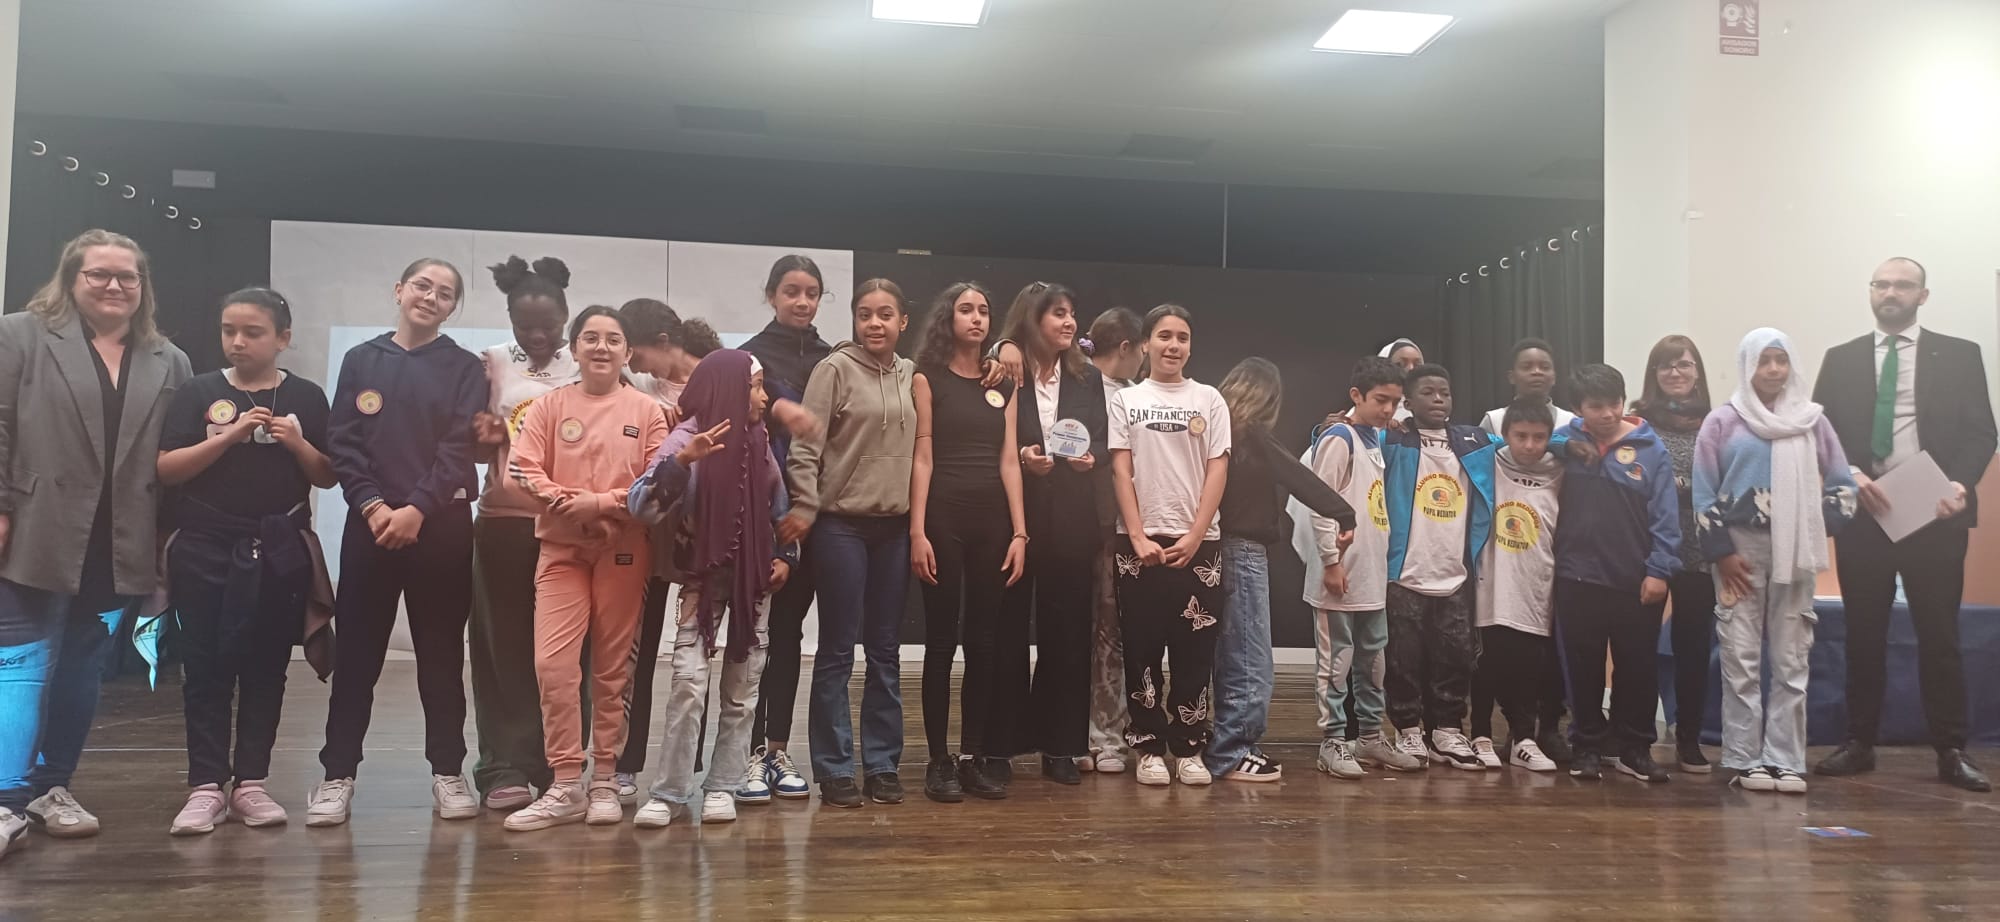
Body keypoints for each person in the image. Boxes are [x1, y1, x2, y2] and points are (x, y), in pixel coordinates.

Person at [0, 230, 193, 853]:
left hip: (120, 539)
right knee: (21, 663)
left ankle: (52, 787)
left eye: (127, 276)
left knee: (83, 666)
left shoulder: (170, 359)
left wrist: (166, 536)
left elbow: (175, 454)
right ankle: (5, 800)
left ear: (143, 286)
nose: (114, 286)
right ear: (71, 278)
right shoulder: (19, 335)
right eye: (99, 274)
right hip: (33, 528)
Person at [309, 257, 486, 827]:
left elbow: (458, 449)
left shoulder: (464, 368)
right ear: (399, 290)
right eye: (422, 286)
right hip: (371, 529)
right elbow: (343, 442)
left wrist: (416, 509)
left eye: (445, 293)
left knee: (440, 656)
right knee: (357, 657)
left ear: (452, 307)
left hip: (441, 531)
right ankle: (337, 776)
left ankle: (448, 772)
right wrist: (374, 506)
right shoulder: (362, 359)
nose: (431, 297)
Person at [157, 287, 337, 835]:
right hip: (204, 546)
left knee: (266, 668)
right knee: (204, 667)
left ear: (283, 338)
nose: (238, 342)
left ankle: (252, 783)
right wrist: (231, 435)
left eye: (253, 332)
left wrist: (297, 443)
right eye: (229, 330)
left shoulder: (305, 396)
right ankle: (206, 786)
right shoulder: (198, 391)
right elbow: (167, 469)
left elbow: (328, 475)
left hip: (278, 548)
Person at [1812, 257, 1996, 792]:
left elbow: (1982, 432)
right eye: (1882, 284)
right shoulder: (1841, 357)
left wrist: (1960, 483)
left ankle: (1951, 749)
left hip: (1935, 512)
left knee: (1939, 635)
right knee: (1863, 633)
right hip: (1866, 512)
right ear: (1871, 292)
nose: (1891, 293)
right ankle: (1858, 742)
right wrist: (1849, 472)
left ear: (1923, 296)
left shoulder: (1960, 354)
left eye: (1903, 285)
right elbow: (1822, 432)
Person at [500, 307, 669, 831]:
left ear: (628, 352)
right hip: (561, 550)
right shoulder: (548, 407)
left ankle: (606, 782)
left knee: (612, 670)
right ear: (573, 349)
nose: (601, 347)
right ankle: (566, 783)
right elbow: (520, 469)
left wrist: (599, 505)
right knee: (553, 666)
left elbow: (658, 482)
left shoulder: (647, 410)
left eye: (613, 339)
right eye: (590, 338)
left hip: (624, 551)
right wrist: (569, 506)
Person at [629, 350, 796, 828]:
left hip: (752, 585)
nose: (763, 398)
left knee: (742, 691)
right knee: (687, 683)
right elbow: (641, 506)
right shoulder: (686, 438)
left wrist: (785, 556)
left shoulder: (759, 442)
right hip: (701, 583)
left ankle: (723, 785)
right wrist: (683, 462)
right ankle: (669, 792)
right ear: (727, 390)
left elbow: (778, 505)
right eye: (755, 387)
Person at [1696, 328, 1857, 794]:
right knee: (1740, 656)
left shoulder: (1812, 421)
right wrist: (1723, 553)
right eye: (1763, 361)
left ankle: (1785, 759)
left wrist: (1811, 525)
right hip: (1738, 555)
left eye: (1780, 360)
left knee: (1791, 658)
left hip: (1797, 552)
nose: (1772, 370)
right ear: (1748, 366)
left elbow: (1843, 487)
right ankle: (1745, 758)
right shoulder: (1722, 421)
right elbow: (1704, 493)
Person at [780, 278, 916, 808]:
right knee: (837, 649)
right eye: (865, 315)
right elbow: (805, 446)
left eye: (885, 314)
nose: (874, 324)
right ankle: (835, 768)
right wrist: (806, 505)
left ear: (903, 321)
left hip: (893, 530)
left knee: (884, 650)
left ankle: (881, 764)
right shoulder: (833, 369)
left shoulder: (910, 374)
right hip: (840, 527)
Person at [908, 282, 1027, 802]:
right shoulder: (926, 377)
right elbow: (923, 458)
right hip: (942, 519)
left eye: (983, 310)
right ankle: (939, 761)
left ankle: (974, 758)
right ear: (947, 318)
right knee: (940, 642)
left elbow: (1009, 460)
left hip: (993, 523)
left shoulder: (1003, 382)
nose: (976, 318)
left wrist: (1020, 532)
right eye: (965, 310)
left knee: (983, 643)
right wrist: (917, 530)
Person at [1209, 357, 1354, 783]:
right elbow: (1299, 477)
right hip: (1243, 553)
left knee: (1227, 653)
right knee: (1250, 657)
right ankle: (1232, 751)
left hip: (1212, 550)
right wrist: (1344, 513)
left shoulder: (1216, 434)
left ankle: (1224, 745)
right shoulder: (1254, 437)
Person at [467, 255, 577, 812]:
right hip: (504, 523)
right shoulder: (489, 363)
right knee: (501, 647)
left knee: (562, 654)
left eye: (547, 325)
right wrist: (482, 436)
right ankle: (503, 766)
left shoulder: (585, 362)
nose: (536, 336)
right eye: (523, 325)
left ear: (566, 316)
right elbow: (468, 444)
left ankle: (561, 764)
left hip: (569, 526)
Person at [1108, 304, 1231, 787]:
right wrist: (1137, 534)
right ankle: (1148, 746)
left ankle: (1188, 746)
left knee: (1194, 651)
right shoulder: (1126, 400)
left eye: (1182, 337)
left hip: (1199, 544)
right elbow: (1121, 468)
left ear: (1190, 346)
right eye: (1163, 336)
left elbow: (1218, 467)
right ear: (1145, 344)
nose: (1173, 345)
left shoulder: (1209, 399)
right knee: (1140, 649)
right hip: (1137, 544)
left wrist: (1196, 534)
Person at [994, 281, 1106, 790]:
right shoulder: (1004, 369)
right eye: (1057, 313)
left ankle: (1062, 744)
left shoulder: (1087, 377)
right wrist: (1021, 457)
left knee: (1068, 633)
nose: (1069, 322)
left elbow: (1100, 436)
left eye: (1071, 313)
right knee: (1007, 632)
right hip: (1012, 519)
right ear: (1031, 318)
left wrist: (1090, 459)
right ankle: (999, 745)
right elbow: (986, 436)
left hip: (1072, 520)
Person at [1292, 357, 1425, 780]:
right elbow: (1319, 504)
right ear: (1356, 396)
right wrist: (1331, 563)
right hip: (1340, 574)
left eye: (1395, 401)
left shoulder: (1372, 438)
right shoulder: (1339, 438)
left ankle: (1369, 737)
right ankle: (1333, 741)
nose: (1388, 409)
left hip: (1370, 575)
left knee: (1373, 662)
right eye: (1380, 400)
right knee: (1337, 663)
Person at [1553, 363, 1681, 783]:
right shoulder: (1567, 441)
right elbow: (1537, 444)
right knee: (1583, 666)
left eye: (1615, 403)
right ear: (1578, 408)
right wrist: (1564, 444)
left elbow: (1666, 517)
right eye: (1596, 406)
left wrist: (1659, 570)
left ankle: (1635, 748)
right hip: (1576, 577)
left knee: (1637, 666)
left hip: (1636, 579)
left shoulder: (1651, 448)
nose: (1608, 414)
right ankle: (1587, 745)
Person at [613, 299, 720, 802]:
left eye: (635, 354)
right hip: (649, 536)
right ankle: (624, 763)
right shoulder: (636, 389)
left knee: (696, 656)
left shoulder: (720, 379)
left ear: (661, 342)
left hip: (700, 537)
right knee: (634, 653)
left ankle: (686, 765)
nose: (633, 364)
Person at [743, 255, 833, 802]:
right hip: (767, 515)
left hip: (821, 513)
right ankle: (747, 752)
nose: (802, 302)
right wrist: (777, 407)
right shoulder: (749, 357)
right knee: (758, 635)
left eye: (812, 293)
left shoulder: (833, 358)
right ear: (772, 294)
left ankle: (777, 748)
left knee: (791, 634)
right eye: (792, 291)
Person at [1379, 364, 1495, 771]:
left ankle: (1447, 729)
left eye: (1444, 392)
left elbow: (1527, 441)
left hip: (1454, 574)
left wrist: (1571, 444)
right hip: (1405, 573)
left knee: (1455, 657)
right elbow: (1346, 439)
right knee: (1403, 658)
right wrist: (1330, 425)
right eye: (1428, 392)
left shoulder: (1474, 441)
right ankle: (1408, 729)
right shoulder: (1394, 438)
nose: (1439, 399)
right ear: (1408, 402)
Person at [1630, 334, 1717, 773]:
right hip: (1648, 550)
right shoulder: (1637, 421)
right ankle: (1637, 738)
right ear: (1654, 374)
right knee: (1640, 646)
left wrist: (1676, 486)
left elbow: (1722, 482)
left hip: (1700, 552)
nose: (1675, 373)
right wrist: (1682, 487)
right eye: (1666, 365)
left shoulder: (1716, 422)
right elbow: (1634, 478)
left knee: (1693, 648)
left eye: (1684, 364)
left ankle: (1688, 739)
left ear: (1697, 371)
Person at [1469, 399, 1565, 772]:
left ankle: (1524, 739)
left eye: (1539, 437)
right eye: (1520, 436)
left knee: (1529, 668)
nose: (1529, 445)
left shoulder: (1560, 470)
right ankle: (1479, 735)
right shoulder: (1488, 462)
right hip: (1492, 584)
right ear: (1505, 434)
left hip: (1536, 585)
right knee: (1487, 664)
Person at [1080, 306, 1144, 774]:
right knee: (1088, 631)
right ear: (1127, 347)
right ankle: (1085, 736)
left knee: (1110, 632)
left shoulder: (1135, 395)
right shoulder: (1079, 385)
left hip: (1119, 528)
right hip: (1085, 524)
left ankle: (1105, 735)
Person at [1313, 337, 1422, 442]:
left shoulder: (1423, 412)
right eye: (1400, 364)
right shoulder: (1352, 423)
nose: (1411, 369)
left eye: (1417, 365)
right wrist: (1322, 435)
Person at [1477, 338, 1577, 436]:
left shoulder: (1570, 421)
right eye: (1526, 367)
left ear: (1554, 377)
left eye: (1545, 367)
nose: (1537, 372)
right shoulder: (1494, 420)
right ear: (1512, 377)